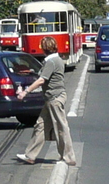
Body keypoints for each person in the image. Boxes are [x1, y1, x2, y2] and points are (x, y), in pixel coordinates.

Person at [14, 35, 77, 166]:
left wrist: (25, 92)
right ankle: (30, 156)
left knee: (61, 127)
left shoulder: (52, 61)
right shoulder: (54, 60)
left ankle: (69, 157)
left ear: (44, 48)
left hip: (54, 98)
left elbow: (42, 80)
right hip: (51, 98)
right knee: (40, 126)